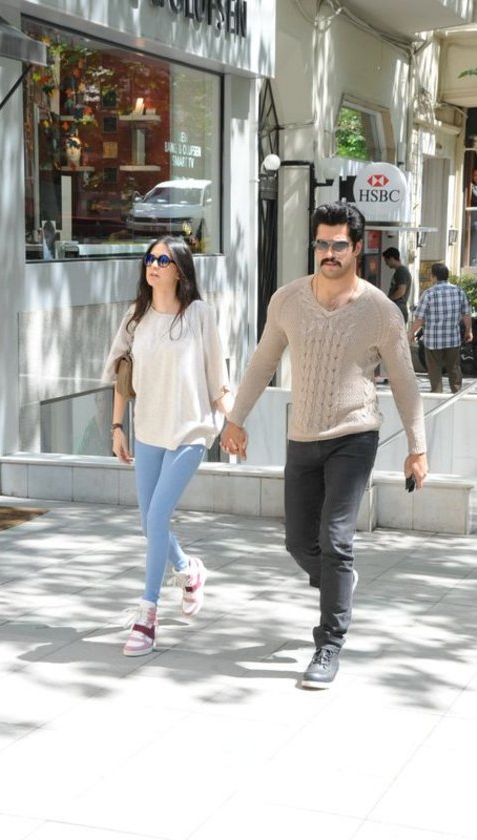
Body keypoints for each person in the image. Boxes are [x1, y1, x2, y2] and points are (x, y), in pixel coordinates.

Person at [221, 202, 427, 690]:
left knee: (336, 540)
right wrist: (235, 419)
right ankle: (340, 582)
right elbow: (262, 362)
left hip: (354, 435)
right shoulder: (287, 300)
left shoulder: (381, 311)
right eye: (321, 243)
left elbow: (404, 382)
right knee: (298, 542)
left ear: (357, 249)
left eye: (338, 245)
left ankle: (328, 643)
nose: (328, 253)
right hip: (303, 436)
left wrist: (417, 447)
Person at [102, 235, 232, 656]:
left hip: (190, 431)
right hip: (148, 431)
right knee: (149, 524)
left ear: (179, 270)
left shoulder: (199, 315)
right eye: (149, 258)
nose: (153, 265)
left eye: (162, 259)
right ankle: (187, 570)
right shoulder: (135, 317)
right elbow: (122, 376)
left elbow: (217, 380)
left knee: (158, 515)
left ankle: (147, 614)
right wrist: (116, 427)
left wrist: (234, 422)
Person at [408, 262, 473, 393]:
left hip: (433, 341)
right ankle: (456, 394)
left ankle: (437, 394)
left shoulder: (428, 294)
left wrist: (411, 333)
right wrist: (469, 331)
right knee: (454, 368)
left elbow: (420, 318)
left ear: (434, 276)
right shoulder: (459, 292)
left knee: (434, 370)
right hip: (453, 339)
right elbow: (466, 314)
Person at [382, 246, 412, 323]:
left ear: (392, 258)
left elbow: (401, 291)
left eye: (386, 260)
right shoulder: (400, 271)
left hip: (398, 309)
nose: (386, 263)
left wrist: (388, 300)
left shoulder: (401, 272)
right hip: (398, 309)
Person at [77, 391, 109, 455]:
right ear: (96, 403)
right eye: (99, 400)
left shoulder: (109, 421)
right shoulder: (92, 424)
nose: (102, 403)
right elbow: (83, 447)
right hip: (95, 458)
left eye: (103, 399)